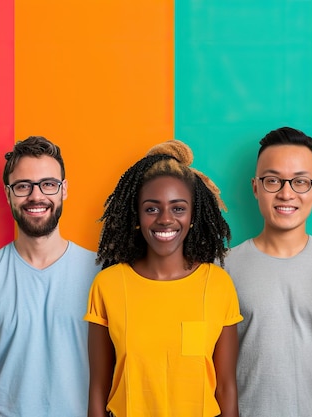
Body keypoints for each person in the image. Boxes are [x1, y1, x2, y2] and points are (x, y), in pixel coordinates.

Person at [85, 140, 242, 417]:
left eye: (178, 208)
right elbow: (98, 388)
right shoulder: (107, 285)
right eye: (152, 208)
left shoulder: (217, 285)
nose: (165, 219)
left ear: (193, 215)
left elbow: (226, 388)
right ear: (137, 216)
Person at [0, 136, 100, 417]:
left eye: (48, 184)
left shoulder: (101, 271)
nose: (37, 196)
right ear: (8, 193)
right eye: (23, 186)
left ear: (64, 190)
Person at [222, 127, 312, 416]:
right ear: (255, 187)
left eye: (300, 182)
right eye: (273, 181)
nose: (286, 193)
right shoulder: (223, 269)